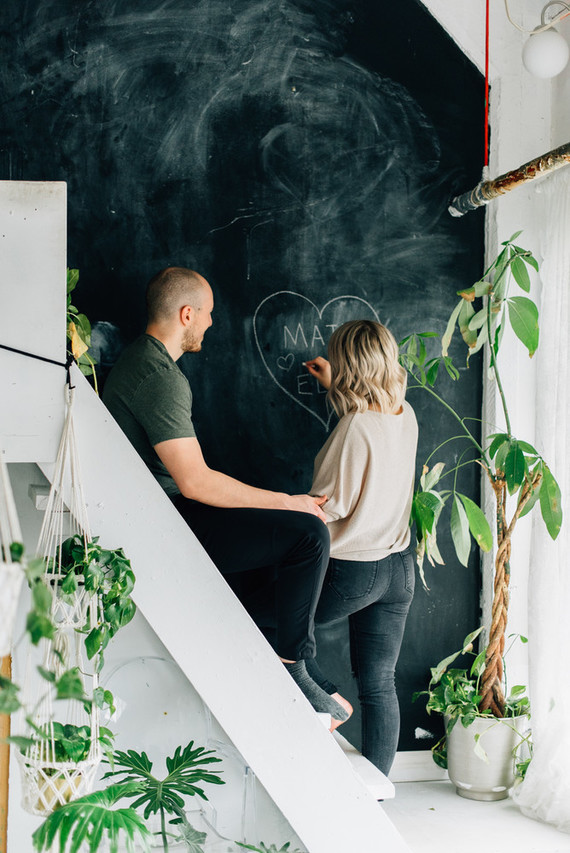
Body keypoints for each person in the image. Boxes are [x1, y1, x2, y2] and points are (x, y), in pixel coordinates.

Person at [102, 266, 349, 722]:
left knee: (266, 565)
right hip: (164, 521)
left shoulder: (145, 362)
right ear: (187, 313)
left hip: (164, 512)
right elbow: (195, 482)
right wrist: (289, 501)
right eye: (209, 313)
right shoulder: (157, 374)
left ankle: (286, 658)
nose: (212, 323)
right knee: (308, 536)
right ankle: (295, 667)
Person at [304, 319, 418, 775]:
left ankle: (328, 700)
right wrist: (336, 385)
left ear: (349, 364)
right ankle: (377, 795)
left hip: (353, 570)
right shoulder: (404, 412)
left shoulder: (355, 427)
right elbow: (370, 443)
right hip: (398, 567)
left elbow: (332, 503)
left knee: (278, 631)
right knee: (379, 684)